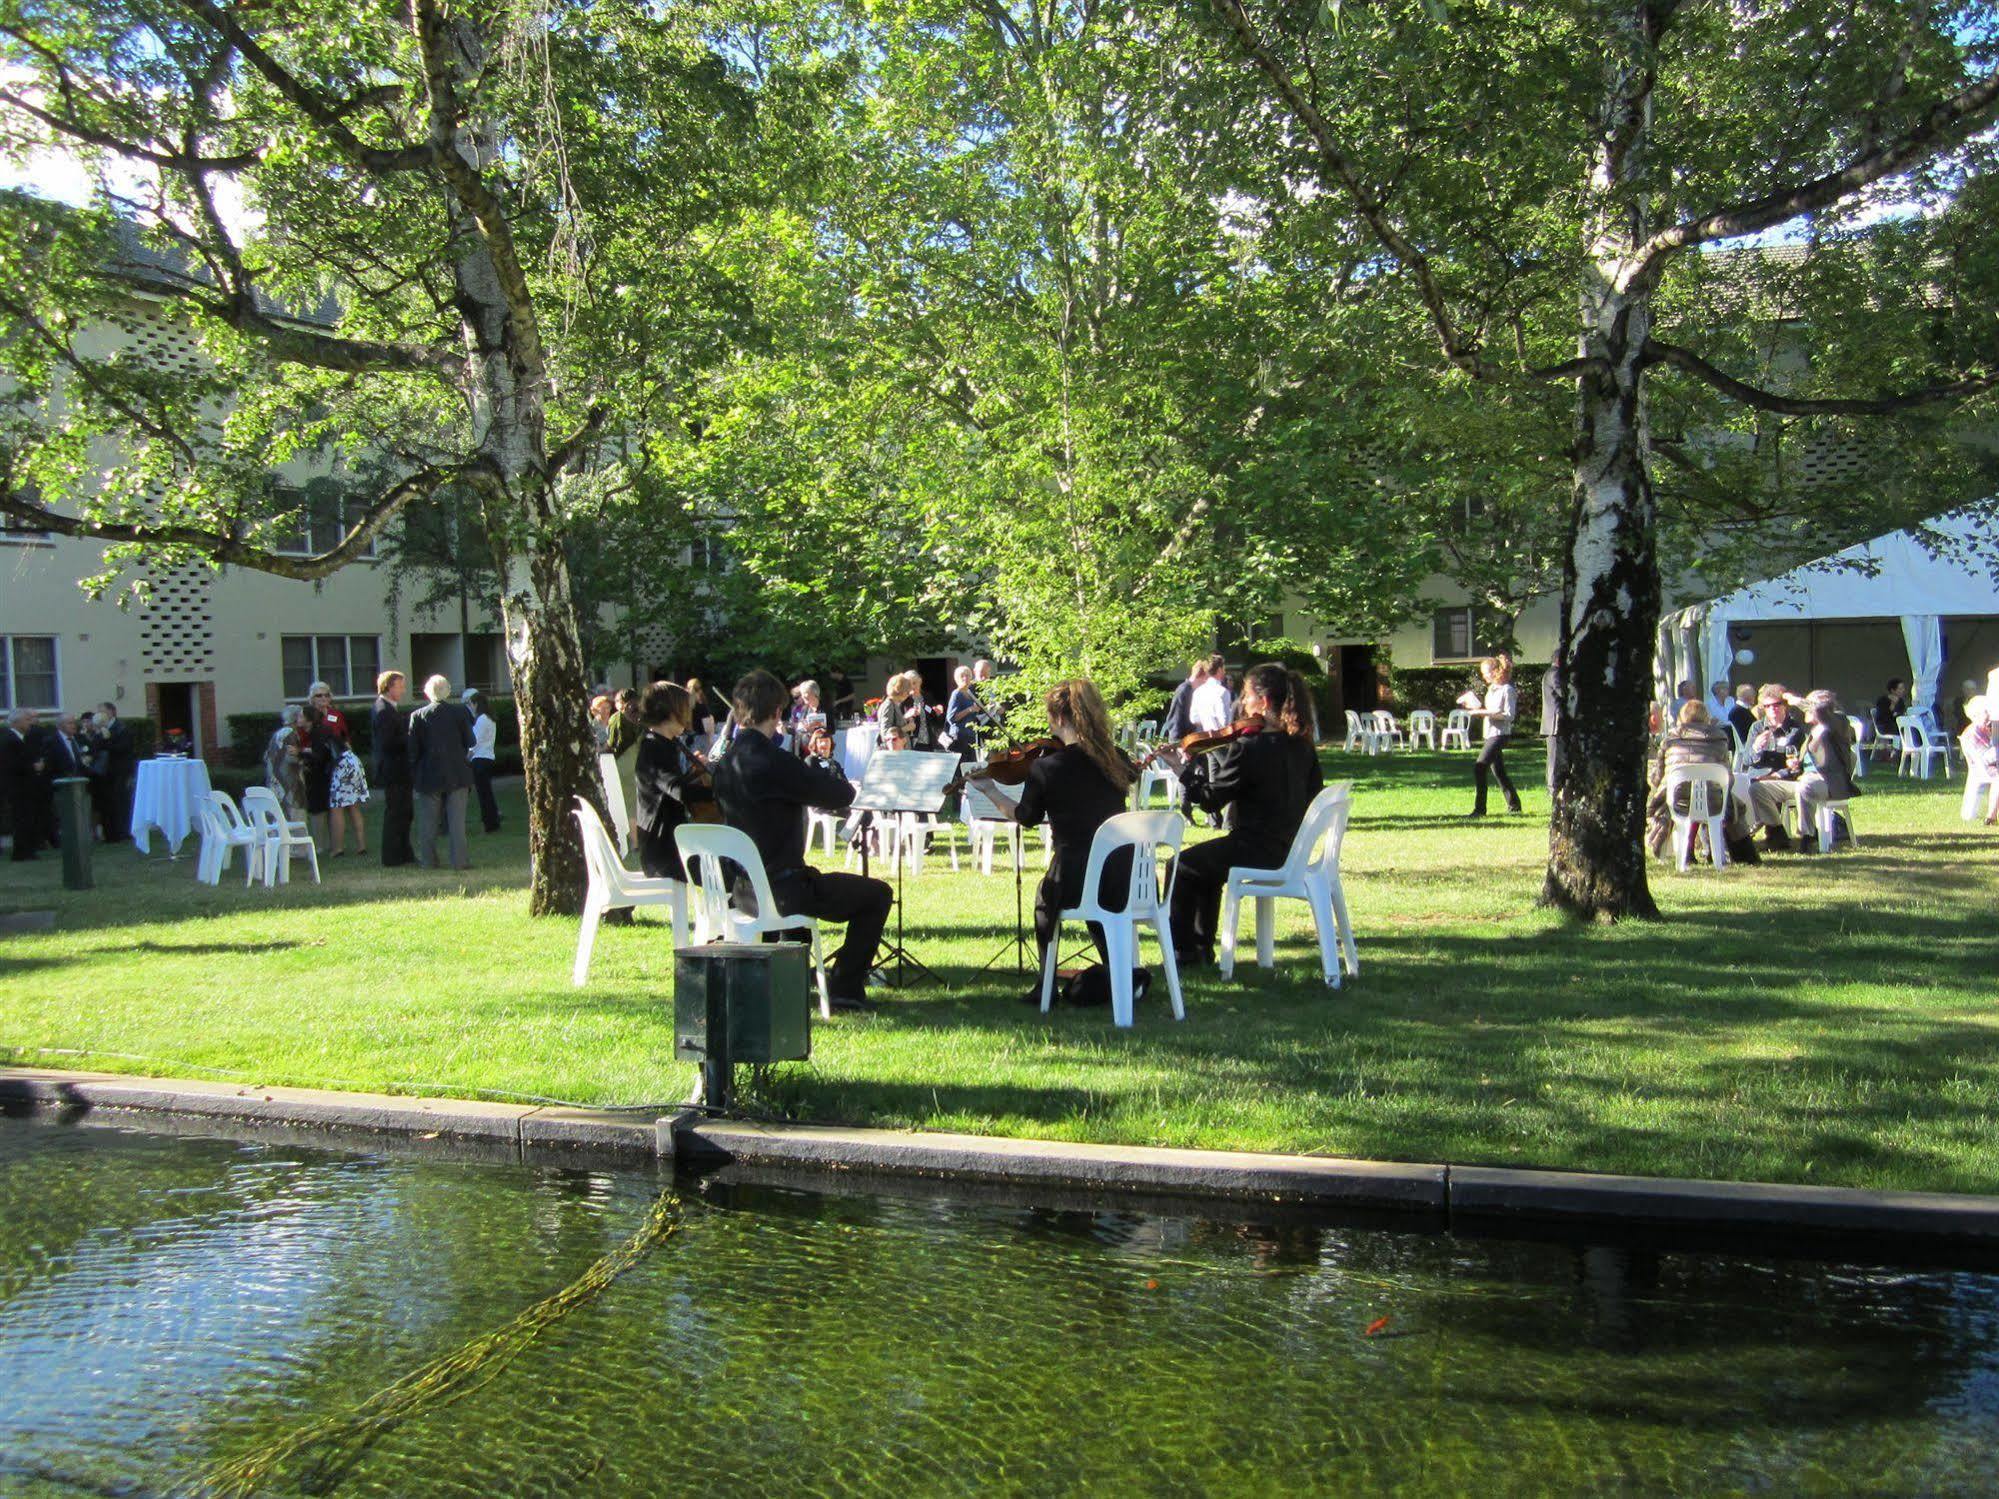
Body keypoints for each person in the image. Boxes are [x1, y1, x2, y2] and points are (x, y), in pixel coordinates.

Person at [712, 668, 892, 1012]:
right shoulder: (776, 762)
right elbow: (840, 794)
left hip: (742, 889)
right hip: (782, 891)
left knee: (808, 888)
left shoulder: (725, 764)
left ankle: (790, 976)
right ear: (779, 713)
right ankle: (844, 988)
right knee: (877, 894)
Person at [978, 678, 1146, 1007]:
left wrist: (990, 791)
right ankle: (1119, 973)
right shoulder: (1116, 758)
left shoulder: (1047, 767)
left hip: (1078, 874)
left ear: (1057, 718)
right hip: (1127, 875)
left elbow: (1026, 817)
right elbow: (1126, 775)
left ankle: (1046, 983)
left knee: (1046, 899)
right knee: (1098, 903)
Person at [1163, 663, 1324, 968]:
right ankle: (1199, 951)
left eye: (1247, 697)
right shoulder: (1302, 746)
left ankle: (1185, 953)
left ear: (1262, 703)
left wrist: (1181, 770)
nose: (1241, 704)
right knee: (1205, 867)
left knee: (1181, 865)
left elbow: (1210, 801)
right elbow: (1314, 791)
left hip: (1256, 847)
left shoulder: (1249, 747)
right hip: (1290, 848)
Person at [1644, 700, 1755, 863]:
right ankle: (1742, 855)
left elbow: (1657, 777)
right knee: (1732, 805)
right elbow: (1727, 777)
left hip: (1677, 801)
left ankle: (1687, 853)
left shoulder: (1670, 740)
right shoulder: (1719, 738)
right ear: (1706, 717)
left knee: (1677, 803)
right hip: (1712, 800)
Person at [632, 680, 713, 879]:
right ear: (671, 712)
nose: (689, 716)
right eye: (685, 710)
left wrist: (695, 774)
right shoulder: (653, 748)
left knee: (726, 868)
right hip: (663, 851)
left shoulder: (665, 744)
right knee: (725, 871)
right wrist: (722, 791)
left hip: (672, 842)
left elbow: (669, 787)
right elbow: (679, 791)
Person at [409, 674, 475, 871]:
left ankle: (429, 861)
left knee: (428, 822)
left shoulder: (418, 715)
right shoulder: (459, 712)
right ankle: (460, 861)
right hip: (457, 771)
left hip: (429, 773)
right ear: (448, 691)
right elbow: (470, 741)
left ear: (427, 692)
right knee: (457, 822)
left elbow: (413, 750)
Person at [1792, 690, 1859, 850]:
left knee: (1804, 786)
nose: (1805, 711)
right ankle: (1775, 834)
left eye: (1810, 707)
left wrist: (1798, 701)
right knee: (1761, 790)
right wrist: (1796, 765)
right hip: (1805, 779)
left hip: (1829, 781)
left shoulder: (1839, 722)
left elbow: (1823, 714)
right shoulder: (1811, 731)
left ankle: (1807, 835)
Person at [1744, 683, 1808, 848]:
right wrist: (1756, 747)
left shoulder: (1794, 730)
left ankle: (1771, 834)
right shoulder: (1757, 728)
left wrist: (1781, 773)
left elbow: (1800, 764)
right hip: (1755, 776)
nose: (1772, 709)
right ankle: (1767, 834)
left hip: (1782, 778)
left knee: (1760, 789)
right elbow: (1746, 760)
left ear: (1784, 706)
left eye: (1776, 705)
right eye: (1767, 706)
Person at [1463, 655, 1522, 817]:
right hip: (1490, 734)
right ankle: (1514, 805)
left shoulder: (1507, 690)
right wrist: (1476, 708)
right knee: (1498, 771)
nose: (1484, 676)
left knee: (1480, 767)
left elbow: (1509, 715)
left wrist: (1483, 712)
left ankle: (1480, 809)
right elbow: (1490, 711)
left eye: (1486, 672)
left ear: (1496, 671)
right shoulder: (1491, 690)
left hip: (1500, 734)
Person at [373, 672, 415, 866]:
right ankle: (392, 856)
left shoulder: (389, 709)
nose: (403, 690)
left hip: (399, 769)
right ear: (389, 687)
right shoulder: (383, 711)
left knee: (405, 811)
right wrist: (410, 737)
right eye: (400, 686)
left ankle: (404, 852)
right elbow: (388, 743)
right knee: (396, 812)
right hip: (394, 770)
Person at [2, 709, 46, 860]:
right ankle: (22, 852)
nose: (30, 723)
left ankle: (28, 849)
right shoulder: (10, 740)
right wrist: (33, 767)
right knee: (22, 818)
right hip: (18, 788)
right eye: (27, 720)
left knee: (27, 818)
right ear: (16, 722)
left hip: (24, 787)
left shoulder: (20, 738)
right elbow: (11, 765)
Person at [91, 701, 135, 842]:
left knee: (120, 802)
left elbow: (122, 748)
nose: (100, 715)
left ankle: (122, 832)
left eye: (103, 711)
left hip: (119, 771)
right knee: (106, 803)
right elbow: (95, 749)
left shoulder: (121, 729)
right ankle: (109, 833)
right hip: (104, 773)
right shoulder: (98, 730)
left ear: (112, 712)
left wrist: (106, 741)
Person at [299, 702, 339, 851]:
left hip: (321, 778)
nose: (298, 719)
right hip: (325, 776)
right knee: (325, 809)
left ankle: (320, 846)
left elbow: (319, 757)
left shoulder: (318, 732)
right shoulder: (318, 731)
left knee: (318, 810)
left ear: (309, 719)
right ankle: (329, 844)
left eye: (301, 716)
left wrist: (300, 753)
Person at [465, 689, 501, 834]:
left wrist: (466, 757)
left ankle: (489, 823)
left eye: (471, 704)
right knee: (487, 792)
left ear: (476, 704)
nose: (471, 707)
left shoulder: (481, 719)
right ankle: (493, 821)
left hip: (480, 759)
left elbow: (475, 742)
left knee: (483, 793)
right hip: (487, 758)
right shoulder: (490, 718)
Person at [264, 705, 306, 819]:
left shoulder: (278, 734)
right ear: (296, 719)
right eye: (302, 716)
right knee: (297, 821)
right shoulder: (290, 734)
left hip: (275, 782)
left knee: (279, 821)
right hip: (289, 783)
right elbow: (292, 758)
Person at [1960, 698, 1997, 826]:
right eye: (1986, 713)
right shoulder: (1972, 733)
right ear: (1975, 715)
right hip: (1984, 768)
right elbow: (1986, 758)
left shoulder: (1986, 729)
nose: (1989, 716)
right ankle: (1991, 817)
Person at [1161, 660, 1208, 742]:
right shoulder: (1184, 690)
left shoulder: (1194, 692)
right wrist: (1177, 743)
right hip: (1182, 742)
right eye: (1206, 679)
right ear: (1201, 676)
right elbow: (1175, 718)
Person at [943, 665, 983, 760]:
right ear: (957, 679)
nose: (965, 678)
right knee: (961, 769)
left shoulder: (971, 694)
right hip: (959, 737)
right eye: (962, 676)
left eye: (968, 675)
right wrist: (969, 709)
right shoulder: (957, 694)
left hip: (971, 736)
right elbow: (951, 718)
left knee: (971, 768)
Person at [1189, 658, 1230, 733]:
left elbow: (1194, 719)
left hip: (1205, 737)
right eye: (1224, 668)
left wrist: (1207, 721)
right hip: (1222, 738)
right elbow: (1224, 721)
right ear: (1219, 670)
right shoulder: (1222, 692)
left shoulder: (1197, 692)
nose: (1225, 671)